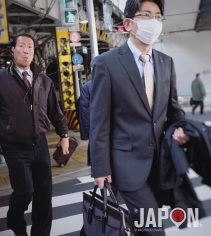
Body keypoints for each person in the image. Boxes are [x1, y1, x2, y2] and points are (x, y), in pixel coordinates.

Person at [90, 1, 190, 235]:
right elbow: (99, 120)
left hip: (160, 164)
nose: (154, 22)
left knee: (142, 227)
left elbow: (174, 110)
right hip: (126, 165)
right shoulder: (107, 63)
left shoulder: (166, 63)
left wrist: (179, 126)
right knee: (154, 228)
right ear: (128, 23)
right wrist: (100, 167)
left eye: (158, 17)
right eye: (146, 15)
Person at [0, 33, 69, 236]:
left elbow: (55, 112)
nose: (26, 50)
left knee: (44, 195)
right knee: (25, 191)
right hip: (14, 146)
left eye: (30, 46)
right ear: (13, 49)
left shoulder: (44, 80)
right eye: (22, 46)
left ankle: (41, 233)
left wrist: (63, 134)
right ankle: (17, 226)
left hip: (40, 146)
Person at [78, 60, 94, 166]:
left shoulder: (86, 87)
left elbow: (84, 112)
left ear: (91, 69)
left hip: (95, 129)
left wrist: (85, 134)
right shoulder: (112, 82)